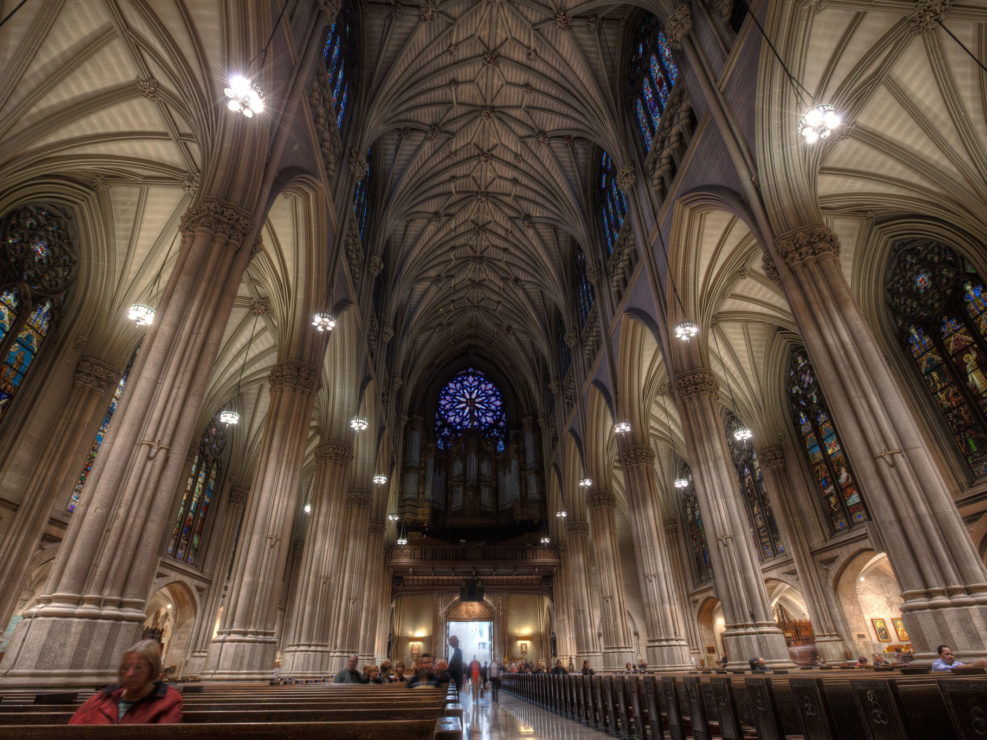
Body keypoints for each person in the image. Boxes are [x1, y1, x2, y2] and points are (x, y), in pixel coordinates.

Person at [69, 640, 182, 724]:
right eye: (125, 667)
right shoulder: (100, 699)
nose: (130, 673)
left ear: (152, 670)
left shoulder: (167, 702)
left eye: (138, 667)